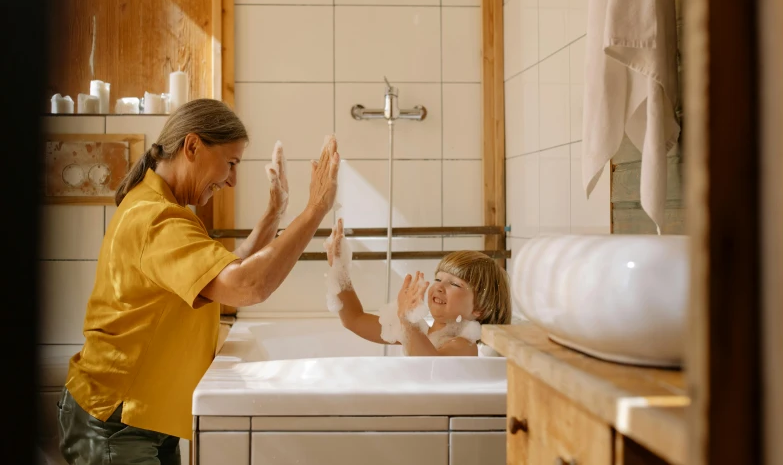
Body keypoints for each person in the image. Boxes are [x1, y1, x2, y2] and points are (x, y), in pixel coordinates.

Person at [57, 99, 340, 464]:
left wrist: (274, 215)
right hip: (115, 419)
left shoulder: (161, 208)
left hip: (143, 418)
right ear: (192, 146)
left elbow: (220, 279)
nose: (232, 180)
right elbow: (244, 286)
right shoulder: (156, 218)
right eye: (231, 163)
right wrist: (316, 208)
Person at [325, 218, 511, 356]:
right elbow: (354, 319)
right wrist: (339, 268)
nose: (440, 287)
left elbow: (430, 369)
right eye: (438, 279)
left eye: (454, 283)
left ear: (479, 308)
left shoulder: (464, 345)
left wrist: (408, 322)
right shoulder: (424, 333)